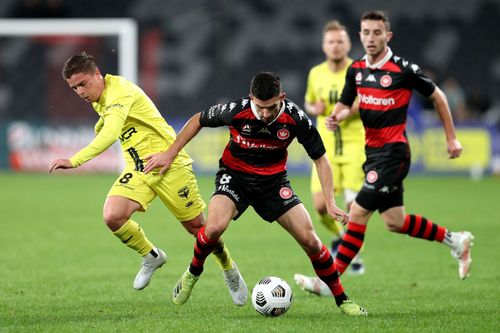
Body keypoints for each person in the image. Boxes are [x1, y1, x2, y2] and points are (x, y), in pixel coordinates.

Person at [143, 71, 368, 316]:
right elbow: (199, 119)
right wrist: (169, 153)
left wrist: (330, 202)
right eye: (260, 107)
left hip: (273, 183)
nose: (265, 113)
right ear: (251, 98)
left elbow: (321, 160)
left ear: (281, 97)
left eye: (271, 107)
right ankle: (193, 272)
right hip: (235, 177)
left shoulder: (295, 118)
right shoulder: (237, 110)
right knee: (214, 228)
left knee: (311, 241)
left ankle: (342, 300)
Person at [48, 52, 247, 306]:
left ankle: (228, 268)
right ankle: (151, 256)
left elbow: (110, 134)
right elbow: (109, 123)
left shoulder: (120, 92)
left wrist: (74, 160)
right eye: (74, 87)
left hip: (168, 164)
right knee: (112, 215)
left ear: (97, 74)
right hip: (139, 167)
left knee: (199, 229)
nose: (80, 92)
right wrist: (100, 125)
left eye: (83, 84)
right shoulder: (99, 97)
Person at [324, 11, 473, 281]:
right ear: (360, 35)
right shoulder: (356, 69)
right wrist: (337, 116)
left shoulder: (403, 69)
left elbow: (438, 96)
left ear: (387, 36)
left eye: (377, 33)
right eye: (366, 32)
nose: (371, 38)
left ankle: (328, 281)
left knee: (357, 211)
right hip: (373, 153)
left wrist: (451, 137)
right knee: (395, 221)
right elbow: (346, 104)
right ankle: (457, 241)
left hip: (394, 153)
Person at [294, 20, 366, 296]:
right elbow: (309, 102)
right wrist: (318, 108)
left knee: (352, 206)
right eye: (331, 41)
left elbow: (366, 102)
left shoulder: (357, 70)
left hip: (355, 145)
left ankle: (350, 256)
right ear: (324, 46)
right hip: (324, 149)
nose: (336, 45)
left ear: (348, 44)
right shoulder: (316, 74)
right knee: (321, 208)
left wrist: (345, 112)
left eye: (340, 41)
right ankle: (342, 239)